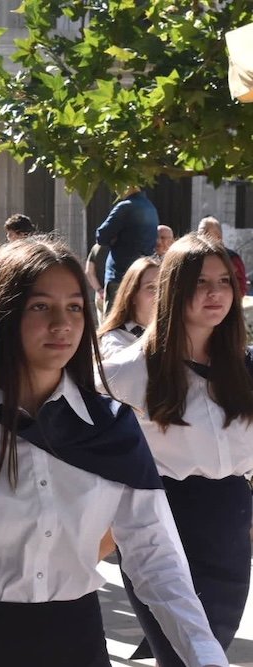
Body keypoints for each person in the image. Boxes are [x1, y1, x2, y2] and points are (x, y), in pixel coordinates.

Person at [0, 237, 228, 667]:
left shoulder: (114, 429)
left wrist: (205, 656)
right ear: (3, 316)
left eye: (74, 307)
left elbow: (157, 560)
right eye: (40, 306)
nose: (61, 324)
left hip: (77, 642)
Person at [102, 233, 253, 666]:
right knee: (184, 654)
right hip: (162, 527)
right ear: (174, 289)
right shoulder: (131, 369)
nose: (215, 293)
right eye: (201, 282)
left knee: (212, 648)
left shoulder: (243, 367)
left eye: (224, 281)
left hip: (230, 522)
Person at [95, 187, 159, 314]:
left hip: (118, 275)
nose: (116, 190)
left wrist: (115, 238)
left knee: (112, 322)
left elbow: (101, 236)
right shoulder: (151, 208)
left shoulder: (125, 207)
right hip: (142, 275)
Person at [96, 256, 159, 360]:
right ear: (132, 295)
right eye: (151, 287)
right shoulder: (114, 339)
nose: (160, 294)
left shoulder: (176, 335)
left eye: (164, 287)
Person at [197, 216, 248, 295]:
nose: (201, 237)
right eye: (199, 233)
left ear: (218, 237)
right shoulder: (193, 258)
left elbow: (241, 288)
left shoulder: (232, 258)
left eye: (206, 233)